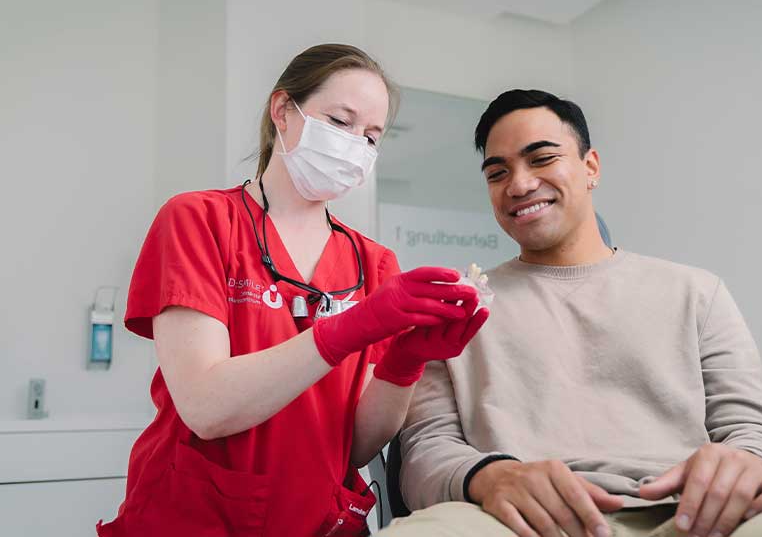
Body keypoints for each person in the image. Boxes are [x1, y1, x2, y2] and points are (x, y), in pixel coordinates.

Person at [380, 90, 762, 537]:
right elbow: (425, 453)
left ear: (590, 167)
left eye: (541, 159)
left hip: (694, 514)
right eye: (498, 173)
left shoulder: (696, 293)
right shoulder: (453, 311)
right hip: (518, 520)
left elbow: (761, 440)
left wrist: (744, 462)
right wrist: (490, 476)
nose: (519, 184)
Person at [96, 44, 489, 537]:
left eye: (371, 136)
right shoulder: (200, 221)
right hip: (194, 518)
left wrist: (404, 362)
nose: (356, 146)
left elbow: (354, 447)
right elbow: (207, 408)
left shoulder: (373, 263)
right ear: (283, 111)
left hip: (316, 521)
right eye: (341, 122)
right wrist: (351, 328)